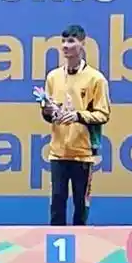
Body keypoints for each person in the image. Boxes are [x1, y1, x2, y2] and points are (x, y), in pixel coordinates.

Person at [36, 25, 111, 226]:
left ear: (82, 44)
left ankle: (80, 249)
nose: (66, 46)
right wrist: (48, 111)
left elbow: (103, 114)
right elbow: (47, 113)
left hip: (83, 152)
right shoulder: (53, 77)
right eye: (64, 42)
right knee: (57, 204)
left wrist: (77, 116)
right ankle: (55, 252)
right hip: (58, 152)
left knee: (81, 206)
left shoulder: (96, 79)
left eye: (71, 41)